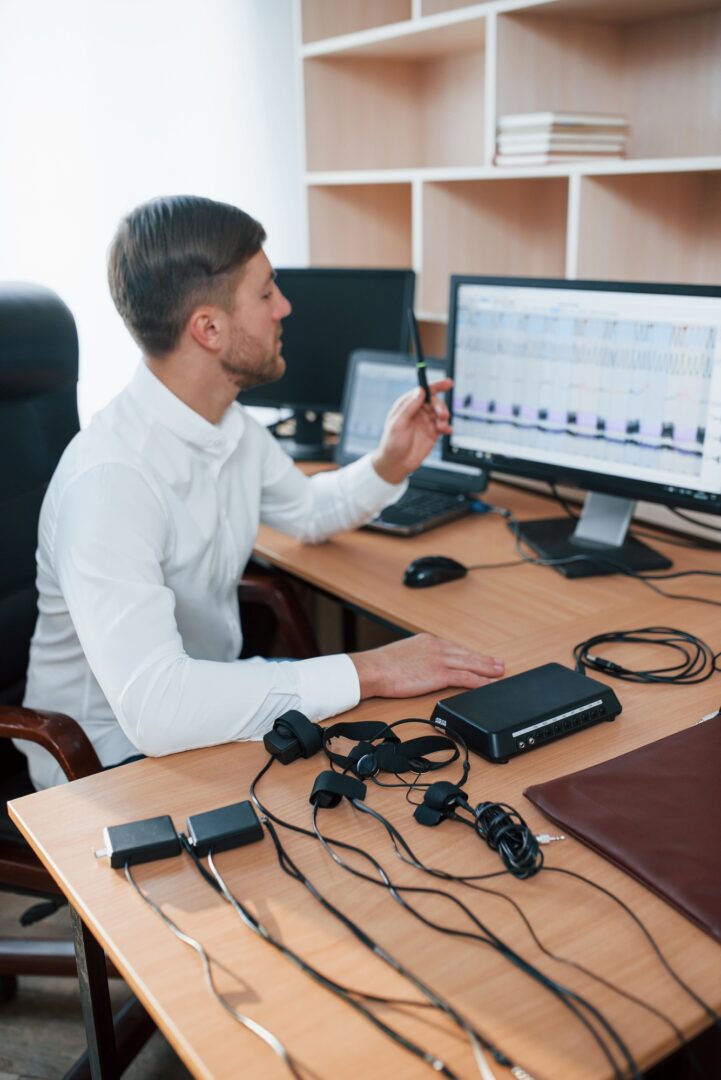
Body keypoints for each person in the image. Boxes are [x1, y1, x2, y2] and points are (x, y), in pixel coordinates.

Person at [17, 195, 504, 790]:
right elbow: (156, 708)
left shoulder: (231, 428)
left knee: (402, 760)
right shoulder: (111, 479)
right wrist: (371, 668)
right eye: (267, 292)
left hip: (205, 703)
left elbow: (310, 511)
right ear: (209, 328)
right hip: (105, 759)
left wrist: (389, 462)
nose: (285, 307)